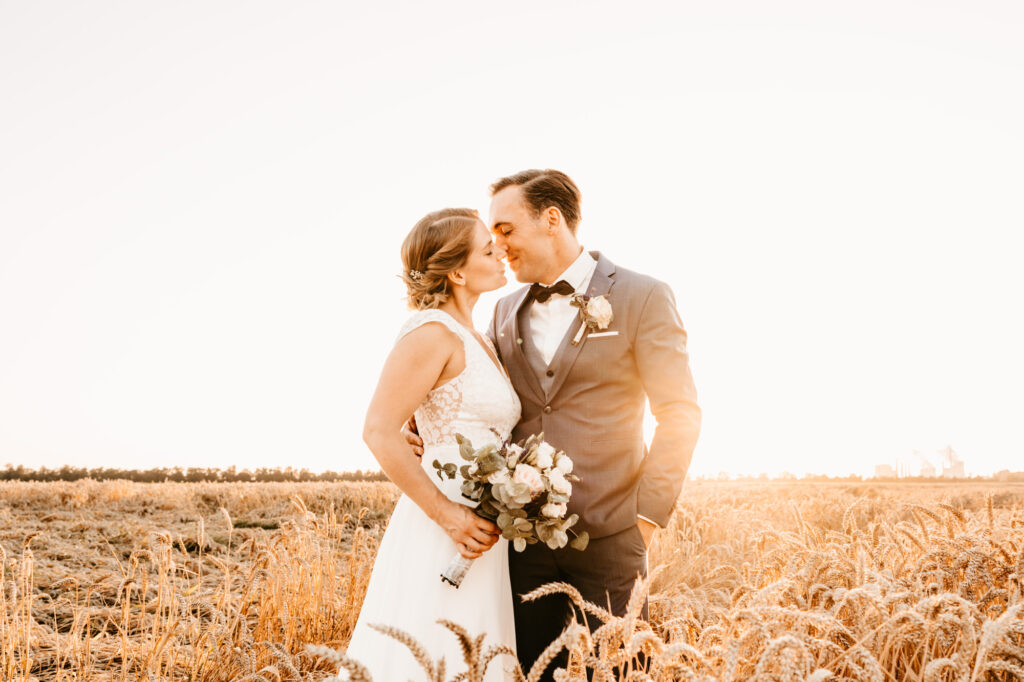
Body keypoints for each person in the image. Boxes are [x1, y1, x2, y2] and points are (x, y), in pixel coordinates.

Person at [406, 170, 701, 679]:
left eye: (505, 230)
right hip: (522, 547)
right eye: (492, 235)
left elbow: (680, 413)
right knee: (530, 672)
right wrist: (422, 423)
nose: (498, 246)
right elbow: (480, 396)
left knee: (623, 670)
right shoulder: (502, 311)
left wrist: (645, 521)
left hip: (613, 538)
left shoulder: (643, 295)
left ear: (551, 220)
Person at [347, 208, 520, 680]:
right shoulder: (431, 332)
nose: (501, 253)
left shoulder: (480, 338)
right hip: (443, 523)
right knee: (430, 651)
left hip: (483, 523)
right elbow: (378, 429)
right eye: (488, 249)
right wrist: (448, 515)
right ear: (458, 272)